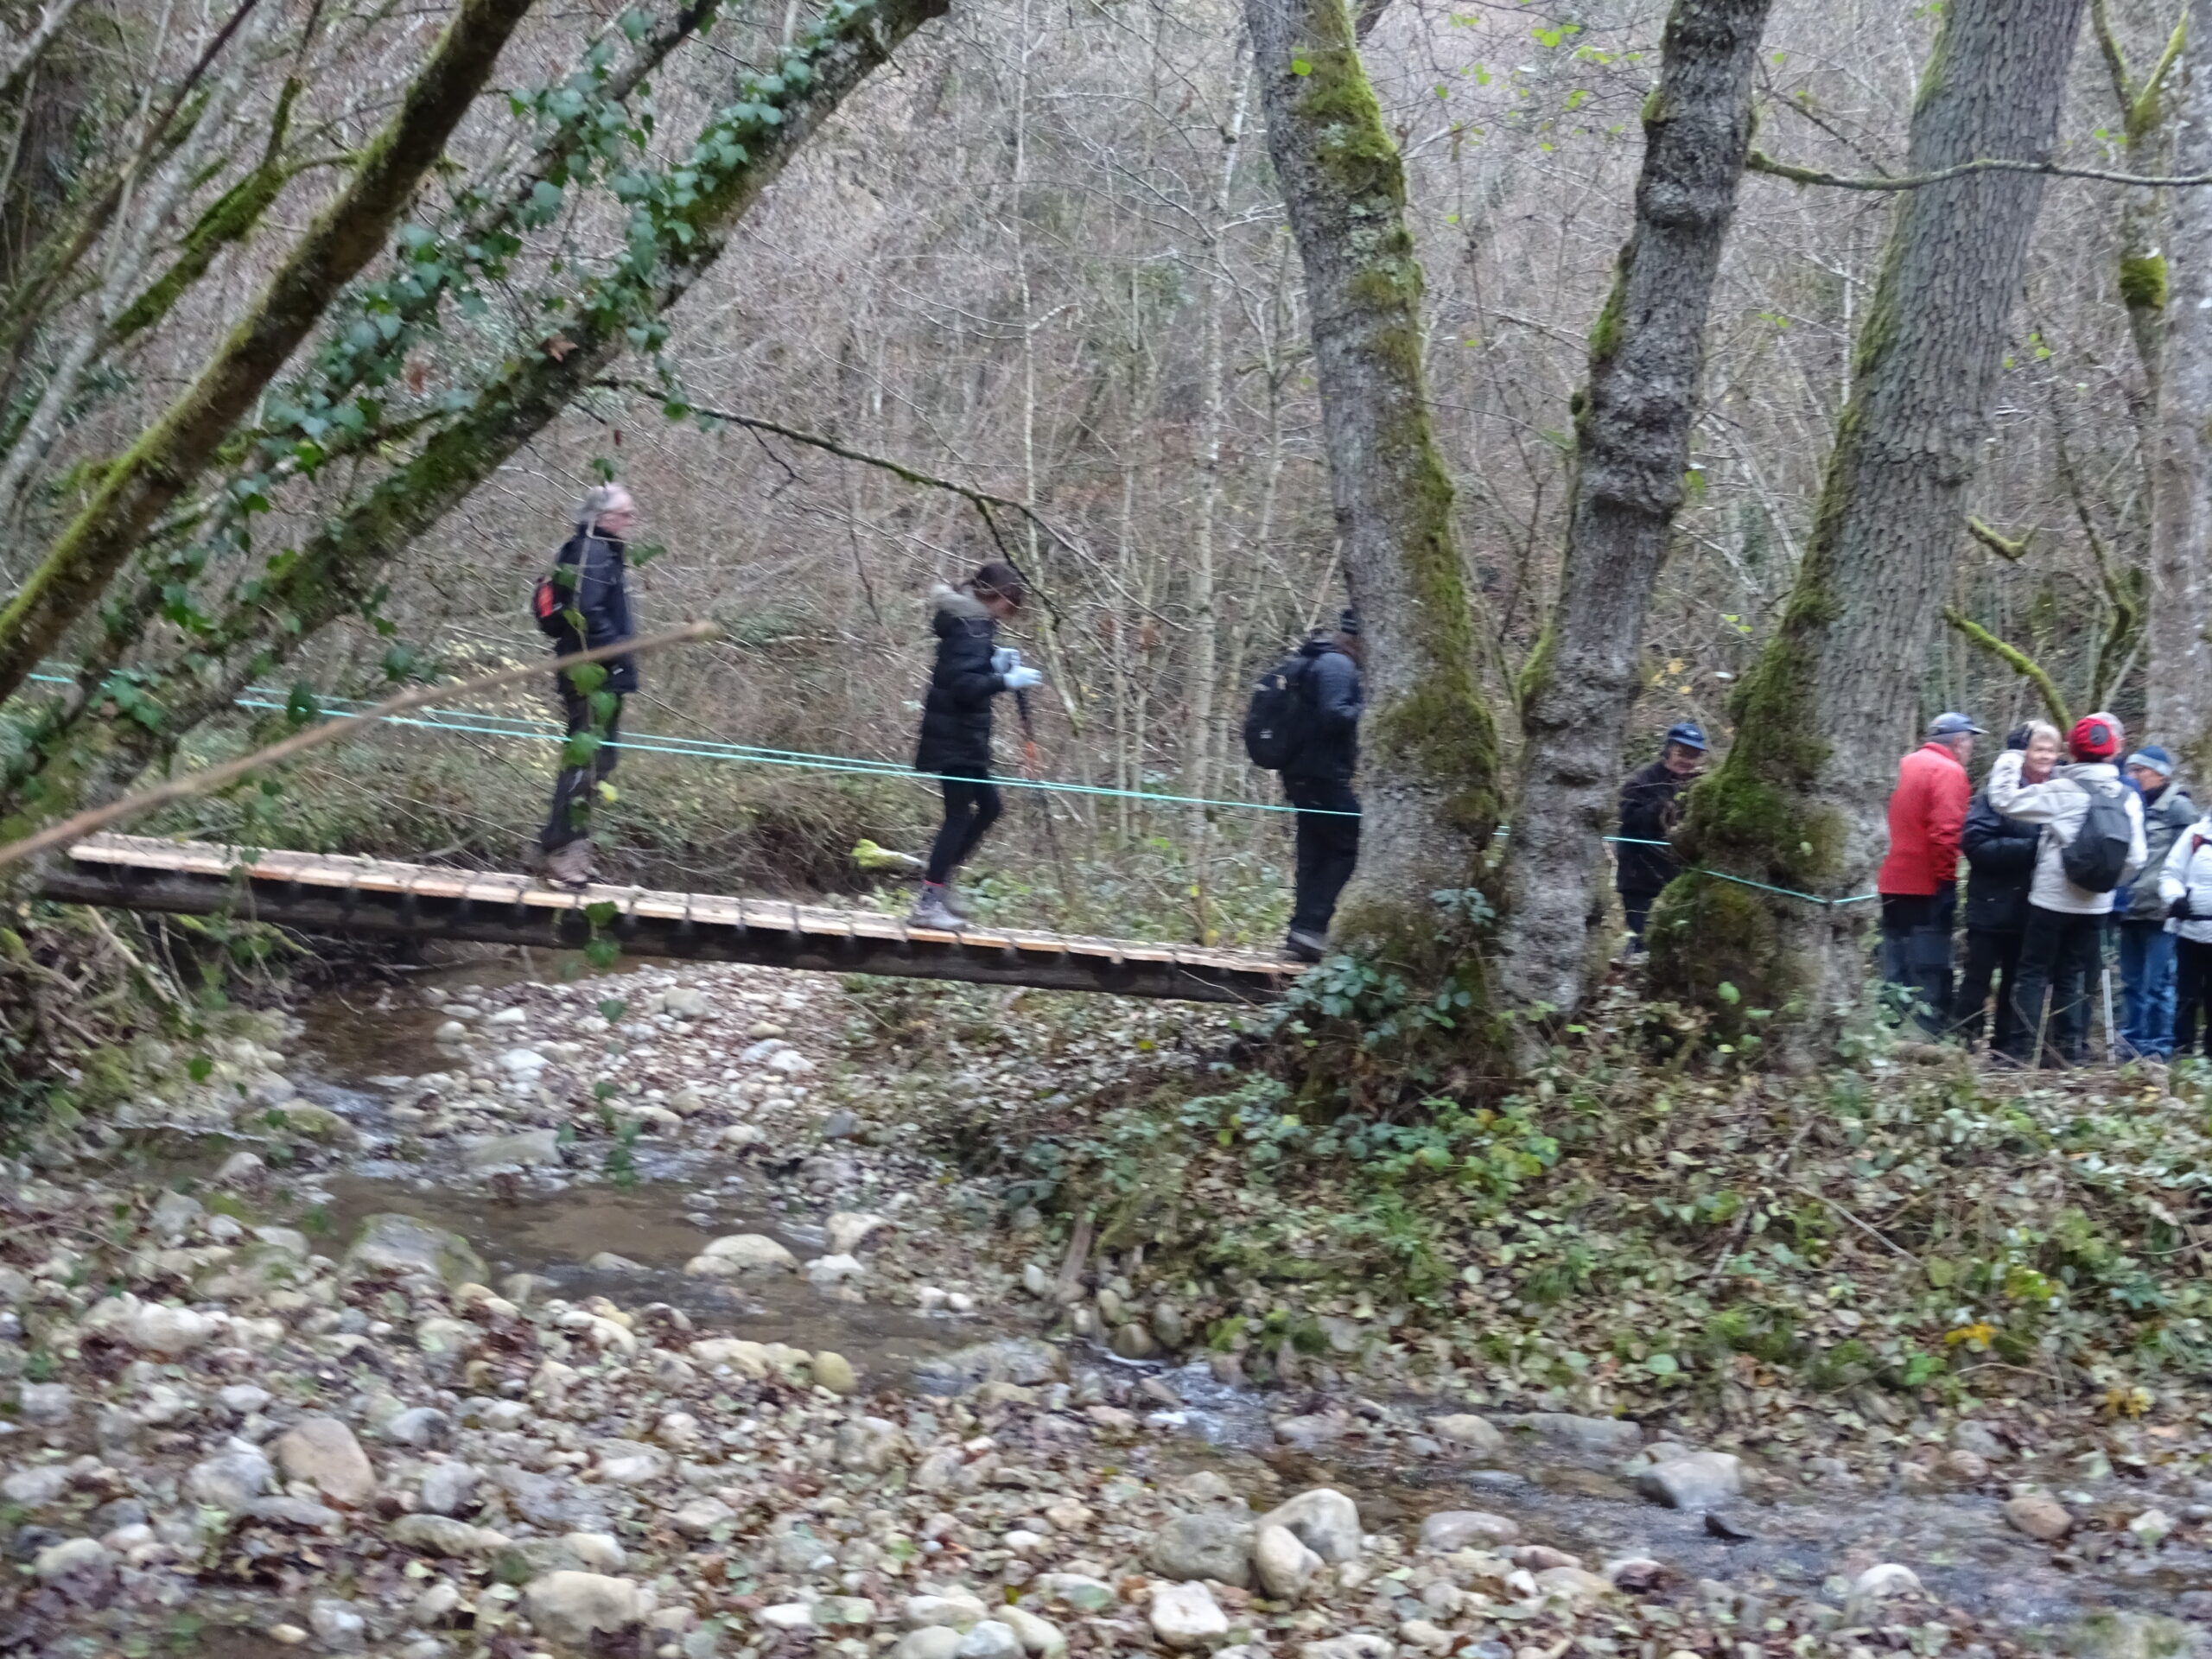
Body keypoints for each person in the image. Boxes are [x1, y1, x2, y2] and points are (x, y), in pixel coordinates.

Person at [1988, 711, 2148, 1066]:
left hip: (2050, 899)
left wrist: (2012, 755)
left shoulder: (2063, 789)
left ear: (2071, 752)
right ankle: (2069, 1051)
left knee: (2033, 972)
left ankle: (2021, 1052)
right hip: (2096, 904)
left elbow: (2004, 800)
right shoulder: (2127, 796)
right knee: (2073, 974)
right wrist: (2106, 884)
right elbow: (2137, 858)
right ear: (2113, 752)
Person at [908, 561, 1043, 929]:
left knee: (989, 807)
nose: (1008, 613)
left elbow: (965, 671)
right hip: (955, 736)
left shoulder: (973, 623)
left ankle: (941, 883)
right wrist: (1005, 680)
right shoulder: (970, 626)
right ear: (996, 596)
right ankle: (928, 902)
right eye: (1009, 605)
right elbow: (963, 687)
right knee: (958, 816)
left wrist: (994, 663)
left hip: (965, 736)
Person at [538, 483, 638, 889]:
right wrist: (617, 652)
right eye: (625, 514)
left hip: (594, 671)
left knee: (593, 762)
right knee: (589, 762)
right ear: (602, 516)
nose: (630, 521)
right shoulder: (592, 553)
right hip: (593, 674)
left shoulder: (591, 551)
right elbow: (587, 613)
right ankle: (562, 853)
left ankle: (558, 848)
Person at [1875, 712, 1982, 1033]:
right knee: (1930, 961)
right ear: (1959, 742)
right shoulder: (1949, 771)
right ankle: (1926, 1033)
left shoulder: (1903, 763)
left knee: (1893, 955)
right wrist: (1946, 879)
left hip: (1889, 878)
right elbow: (1945, 834)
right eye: (1970, 742)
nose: (1971, 749)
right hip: (1925, 882)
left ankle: (1889, 1028)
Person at [1954, 722, 2057, 1052]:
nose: (2045, 757)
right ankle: (1963, 1042)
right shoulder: (1997, 795)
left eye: (2051, 750)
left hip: (2037, 907)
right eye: (2038, 749)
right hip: (1991, 903)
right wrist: (2031, 848)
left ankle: (2007, 1049)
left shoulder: (2060, 793)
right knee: (1977, 977)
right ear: (2023, 754)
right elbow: (1975, 844)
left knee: (2018, 980)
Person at [1280, 611, 1364, 962]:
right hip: (1321, 774)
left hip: (1305, 773)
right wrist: (1372, 709)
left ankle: (1302, 932)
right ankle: (1314, 927)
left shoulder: (1321, 659)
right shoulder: (1337, 665)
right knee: (1351, 842)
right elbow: (1335, 714)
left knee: (1315, 850)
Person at [2117, 746, 2196, 1059]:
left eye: (2140, 771)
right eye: (2131, 770)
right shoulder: (2130, 804)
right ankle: (2130, 1044)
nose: (2133, 776)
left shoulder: (2179, 808)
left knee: (2159, 983)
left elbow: (2191, 860)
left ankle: (2158, 1047)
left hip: (2161, 911)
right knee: (2131, 982)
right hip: (2129, 907)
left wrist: (2180, 899)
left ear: (2161, 774)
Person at [1614, 721, 1707, 948]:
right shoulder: (1641, 782)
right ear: (1668, 750)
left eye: (1694, 755)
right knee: (1645, 940)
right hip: (1641, 880)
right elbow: (1631, 822)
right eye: (1682, 753)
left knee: (1676, 944)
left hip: (1681, 882)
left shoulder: (1699, 786)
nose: (1687, 760)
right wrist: (1664, 805)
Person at [2158, 804, 2212, 1057]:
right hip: (2190, 930)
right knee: (2186, 995)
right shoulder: (2195, 834)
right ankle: (2182, 1052)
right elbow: (2171, 873)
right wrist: (2175, 898)